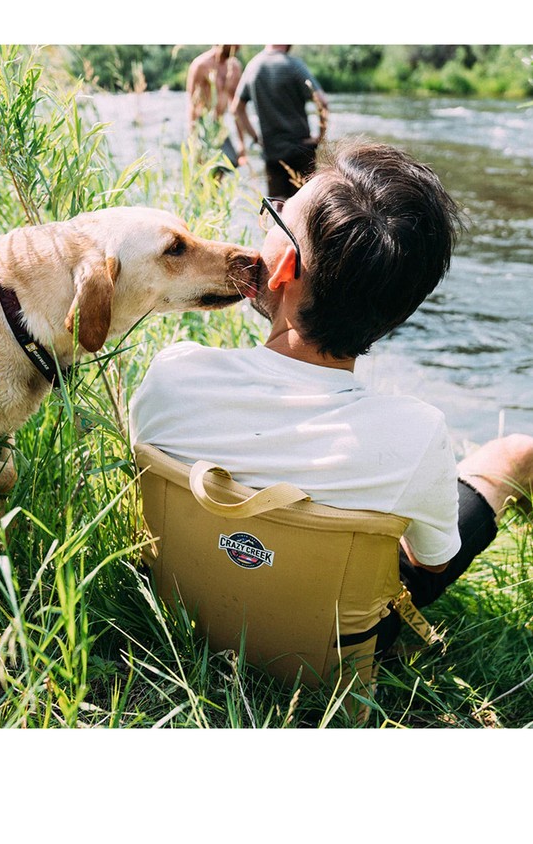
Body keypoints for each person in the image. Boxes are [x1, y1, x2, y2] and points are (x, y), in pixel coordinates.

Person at [130, 140, 533, 656]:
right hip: (328, 656)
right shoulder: (414, 434)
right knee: (514, 453)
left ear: (282, 271)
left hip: (178, 623)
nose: (260, 230)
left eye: (273, 219)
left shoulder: (174, 374)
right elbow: (433, 562)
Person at [231, 44, 329, 199]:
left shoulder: (253, 66)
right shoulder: (294, 65)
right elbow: (322, 101)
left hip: (272, 150)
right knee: (306, 207)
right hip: (301, 148)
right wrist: (320, 136)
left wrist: (256, 138)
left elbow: (237, 108)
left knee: (278, 206)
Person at [186, 45, 247, 169]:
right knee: (206, 170)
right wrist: (194, 139)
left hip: (220, 125)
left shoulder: (234, 67)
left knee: (229, 163)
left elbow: (236, 107)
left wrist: (241, 143)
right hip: (203, 126)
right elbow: (192, 105)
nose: (238, 46)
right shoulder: (200, 65)